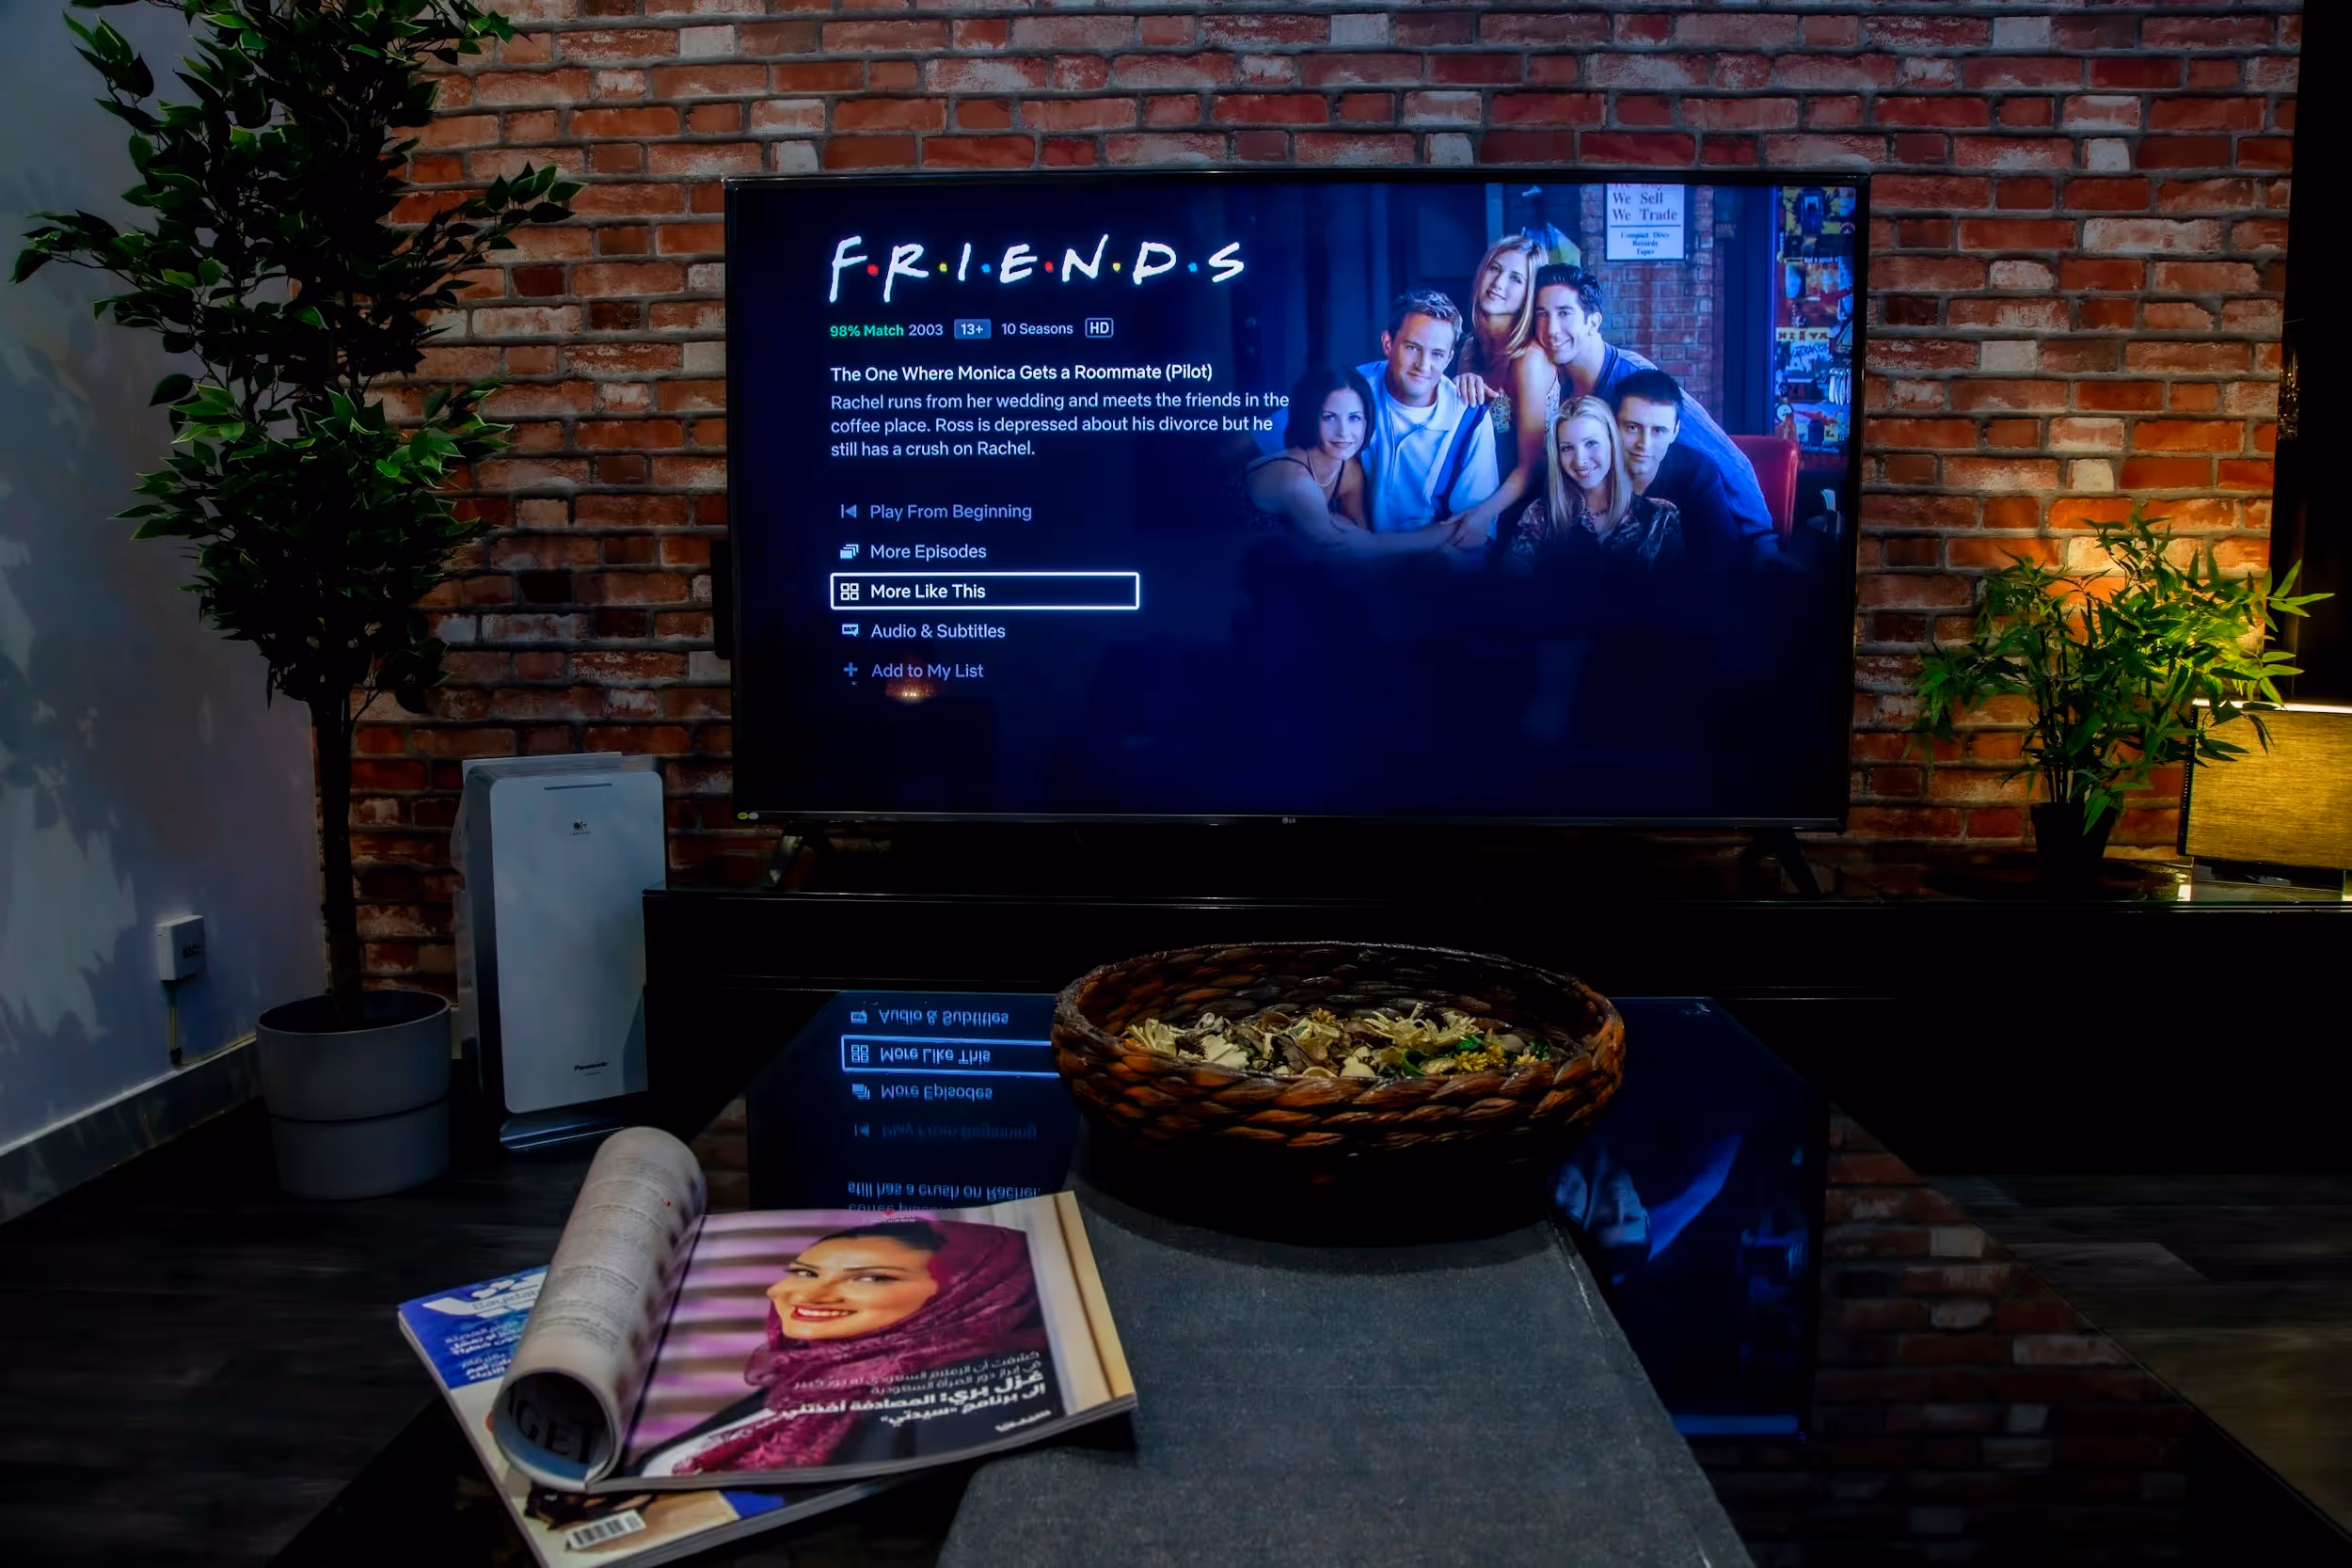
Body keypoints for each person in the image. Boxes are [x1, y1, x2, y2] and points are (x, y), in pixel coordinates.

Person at [634, 1220, 1056, 1476]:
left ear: (967, 1292)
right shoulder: (806, 1381)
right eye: (804, 1272)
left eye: (871, 1278)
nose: (810, 1294)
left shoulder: (965, 1397)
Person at [1530, 263, 1777, 564]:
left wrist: (1762, 539)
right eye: (1542, 314)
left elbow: (1725, 456)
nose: (1551, 329)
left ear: (1593, 322)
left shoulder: (1634, 377)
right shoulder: (1558, 383)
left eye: (1564, 313)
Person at [1242, 367, 1454, 557]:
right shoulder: (1297, 483)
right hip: (1236, 548)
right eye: (1329, 417)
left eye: (1354, 418)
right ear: (1310, 418)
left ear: (1367, 420)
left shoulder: (1348, 468)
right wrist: (1440, 536)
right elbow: (1349, 554)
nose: (1343, 432)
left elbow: (1363, 537)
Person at [1355, 290, 1497, 549]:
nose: (1423, 365)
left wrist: (1380, 548)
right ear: (1388, 343)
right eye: (1413, 348)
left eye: (1437, 354)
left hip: (1431, 554)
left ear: (1450, 358)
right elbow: (1284, 444)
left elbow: (1472, 526)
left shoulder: (1471, 418)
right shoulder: (1352, 391)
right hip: (1353, 549)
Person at [1442, 234, 1561, 545]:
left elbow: (1531, 466)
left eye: (1516, 278)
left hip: (1524, 505)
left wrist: (1480, 515)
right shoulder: (1469, 348)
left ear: (1529, 294)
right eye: (1494, 269)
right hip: (1473, 488)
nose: (1498, 283)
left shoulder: (1529, 359)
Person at [1613, 368, 1774, 572]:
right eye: (1632, 427)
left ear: (1675, 432)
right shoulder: (1593, 467)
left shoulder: (1697, 473)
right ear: (1613, 424)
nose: (1644, 444)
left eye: (1658, 430)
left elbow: (1722, 558)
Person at [1509, 393, 1682, 572]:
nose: (1580, 460)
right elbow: (1510, 582)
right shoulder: (1540, 515)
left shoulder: (1660, 516)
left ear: (1612, 443)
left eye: (1591, 443)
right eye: (1567, 448)